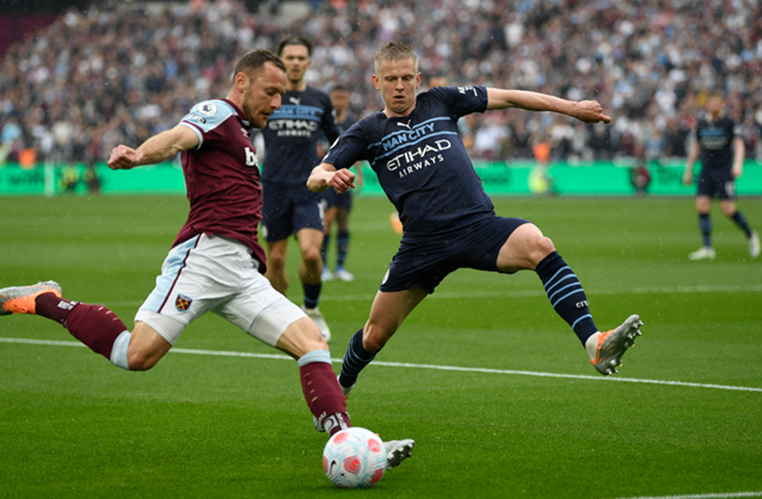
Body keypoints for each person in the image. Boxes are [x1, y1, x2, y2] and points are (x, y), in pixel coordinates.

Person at [0, 48, 414, 467]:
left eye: (283, 94)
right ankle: (44, 299)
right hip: (204, 259)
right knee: (135, 355)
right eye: (270, 92)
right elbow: (176, 138)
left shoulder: (241, 131)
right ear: (241, 82)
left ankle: (348, 440)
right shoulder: (218, 113)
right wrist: (138, 155)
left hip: (243, 272)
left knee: (313, 344)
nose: (278, 103)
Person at [306, 42, 643, 399]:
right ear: (376, 81)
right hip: (422, 246)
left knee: (539, 245)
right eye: (391, 79)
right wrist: (330, 178)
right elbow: (316, 174)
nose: (400, 86)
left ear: (418, 78)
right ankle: (341, 386)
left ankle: (594, 341)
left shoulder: (441, 101)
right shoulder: (367, 131)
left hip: (478, 226)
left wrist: (572, 109)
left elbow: (511, 97)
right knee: (374, 335)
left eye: (407, 78)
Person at [260, 37, 340, 340]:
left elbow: (336, 138)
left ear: (308, 62)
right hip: (274, 186)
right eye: (289, 57)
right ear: (280, 62)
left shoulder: (320, 99)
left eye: (301, 57)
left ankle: (312, 308)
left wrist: (334, 167)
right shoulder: (267, 97)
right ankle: (281, 315)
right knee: (276, 259)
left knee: (309, 252)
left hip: (310, 186)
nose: (295, 62)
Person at [683, 92, 759, 260]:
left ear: (722, 104)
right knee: (702, 206)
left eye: (718, 103)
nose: (715, 106)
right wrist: (688, 170)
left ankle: (750, 235)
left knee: (728, 209)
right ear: (708, 104)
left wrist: (738, 164)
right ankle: (707, 247)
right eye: (712, 103)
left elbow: (738, 144)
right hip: (706, 170)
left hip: (724, 170)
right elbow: (696, 147)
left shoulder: (729, 123)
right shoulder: (702, 124)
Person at [320, 85, 363, 282]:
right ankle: (323, 267)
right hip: (327, 179)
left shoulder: (352, 123)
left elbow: (355, 150)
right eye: (336, 97)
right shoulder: (323, 122)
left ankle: (340, 266)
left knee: (343, 220)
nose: (339, 102)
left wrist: (360, 173)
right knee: (328, 220)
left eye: (342, 98)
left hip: (345, 177)